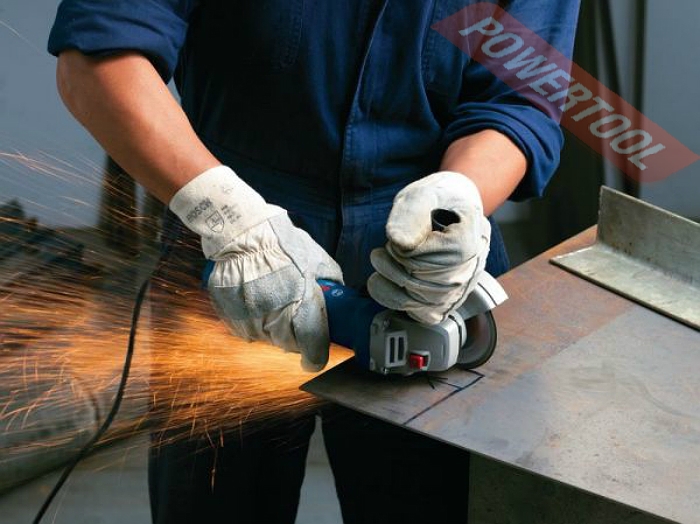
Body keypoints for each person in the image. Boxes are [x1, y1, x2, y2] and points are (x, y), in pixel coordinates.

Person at [47, 1, 581, 523]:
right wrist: (232, 222)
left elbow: (518, 101)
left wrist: (453, 205)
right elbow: (96, 55)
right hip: (230, 249)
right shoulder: (233, 232)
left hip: (429, 272)